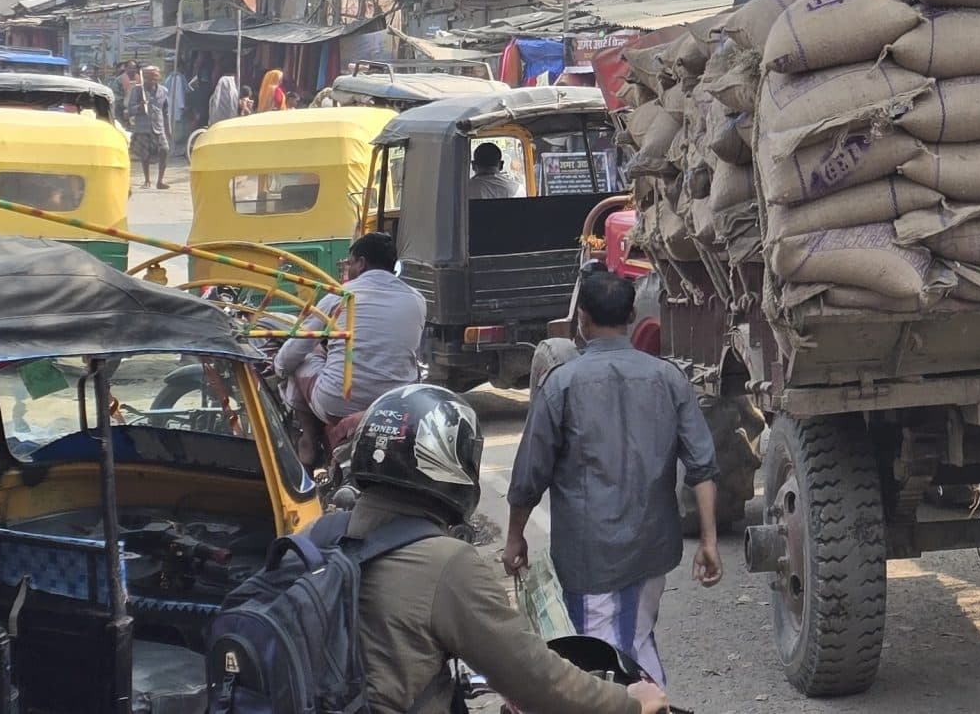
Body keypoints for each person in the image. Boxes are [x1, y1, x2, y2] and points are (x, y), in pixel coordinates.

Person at [346, 383, 668, 714]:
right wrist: (627, 703)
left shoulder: (321, 543)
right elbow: (533, 677)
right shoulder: (445, 562)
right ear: (447, 458)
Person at [504, 270, 723, 683]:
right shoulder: (668, 378)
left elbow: (529, 473)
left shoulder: (561, 384)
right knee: (635, 639)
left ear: (582, 320)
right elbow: (702, 466)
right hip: (652, 549)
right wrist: (709, 541)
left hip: (590, 558)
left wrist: (516, 536)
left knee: (602, 663)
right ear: (633, 316)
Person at [274, 232, 428, 463]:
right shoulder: (417, 299)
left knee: (304, 357)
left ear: (362, 263)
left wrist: (278, 367)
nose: (348, 268)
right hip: (396, 404)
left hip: (339, 402)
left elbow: (294, 351)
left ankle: (308, 438)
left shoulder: (340, 296)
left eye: (350, 262)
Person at [126, 65, 173, 189]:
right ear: (144, 78)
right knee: (144, 155)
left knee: (164, 150)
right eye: (148, 78)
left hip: (159, 126)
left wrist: (168, 130)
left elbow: (166, 111)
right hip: (143, 126)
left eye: (154, 78)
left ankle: (160, 181)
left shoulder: (163, 91)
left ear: (158, 78)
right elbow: (130, 110)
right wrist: (140, 108)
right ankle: (147, 180)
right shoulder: (137, 91)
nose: (151, 81)